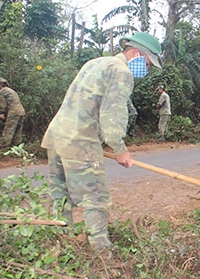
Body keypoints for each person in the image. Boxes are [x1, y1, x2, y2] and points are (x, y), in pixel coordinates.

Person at [41, 31, 162, 253]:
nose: (146, 69)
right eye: (147, 63)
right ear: (135, 52)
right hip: (81, 141)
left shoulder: (96, 63)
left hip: (58, 135)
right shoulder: (121, 71)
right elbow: (112, 113)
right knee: (95, 198)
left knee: (60, 195)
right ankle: (103, 258)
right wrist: (120, 148)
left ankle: (57, 248)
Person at [0, 77, 26, 146]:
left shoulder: (1, 92)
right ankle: (17, 145)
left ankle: (4, 145)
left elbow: (4, 106)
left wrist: (3, 114)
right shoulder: (11, 90)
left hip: (13, 112)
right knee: (18, 130)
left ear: (0, 85)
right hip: (21, 111)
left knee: (8, 129)